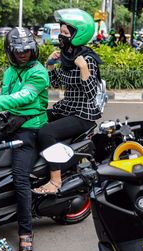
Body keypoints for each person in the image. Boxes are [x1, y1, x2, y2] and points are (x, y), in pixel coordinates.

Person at [0, 27, 49, 251]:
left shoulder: (38, 72)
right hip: (10, 127)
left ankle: (26, 232)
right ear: (10, 52)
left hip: (29, 130)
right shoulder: (9, 72)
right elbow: (4, 97)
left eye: (27, 49)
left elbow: (21, 97)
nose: (24, 53)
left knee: (19, 177)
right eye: (19, 50)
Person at [33, 8, 105, 195]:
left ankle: (55, 181)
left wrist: (83, 69)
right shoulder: (66, 54)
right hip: (67, 108)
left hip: (83, 113)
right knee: (34, 118)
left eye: (65, 33)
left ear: (78, 34)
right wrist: (49, 64)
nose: (61, 36)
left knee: (46, 132)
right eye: (61, 32)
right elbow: (56, 82)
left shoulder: (87, 59)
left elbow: (90, 94)